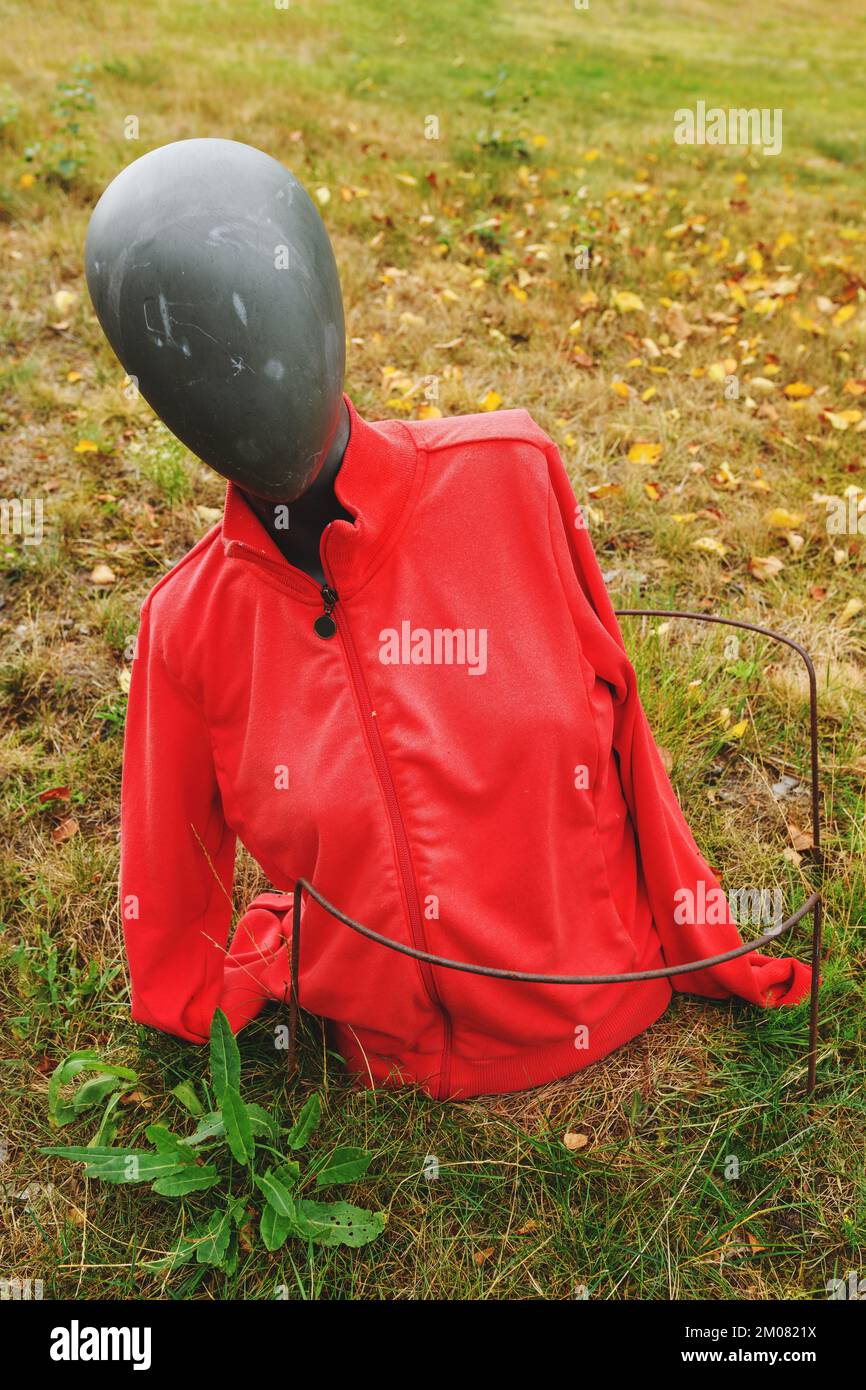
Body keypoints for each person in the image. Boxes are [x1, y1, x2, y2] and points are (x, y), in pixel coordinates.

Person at [85, 139, 811, 1100]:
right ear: (152, 392)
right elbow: (170, 882)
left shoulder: (508, 472)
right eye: (182, 349)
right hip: (390, 1062)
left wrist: (700, 932)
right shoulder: (189, 625)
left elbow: (625, 728)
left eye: (264, 316)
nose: (242, 369)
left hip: (604, 994)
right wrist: (193, 1006)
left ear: (328, 313)